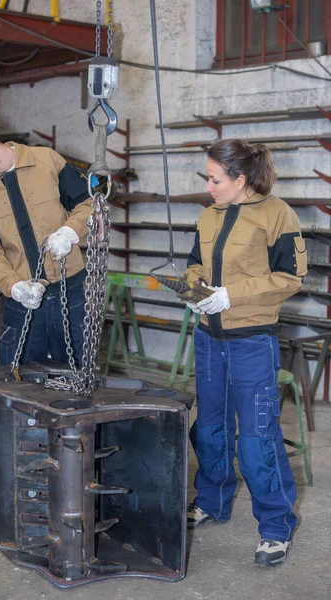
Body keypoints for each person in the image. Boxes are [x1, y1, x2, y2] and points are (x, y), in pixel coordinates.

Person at [183, 139, 307, 567]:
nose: (209, 186)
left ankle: (276, 525)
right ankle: (212, 502)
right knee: (210, 429)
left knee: (256, 438)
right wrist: (196, 290)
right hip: (208, 338)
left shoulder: (278, 215)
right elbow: (194, 263)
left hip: (252, 342)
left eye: (215, 179)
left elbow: (289, 278)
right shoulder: (207, 215)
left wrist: (230, 294)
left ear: (241, 179)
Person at [0, 116, 93, 367]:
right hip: (22, 301)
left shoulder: (46, 160)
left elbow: (88, 203)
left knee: (78, 374)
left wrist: (70, 231)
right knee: (16, 384)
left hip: (71, 294)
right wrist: (14, 286)